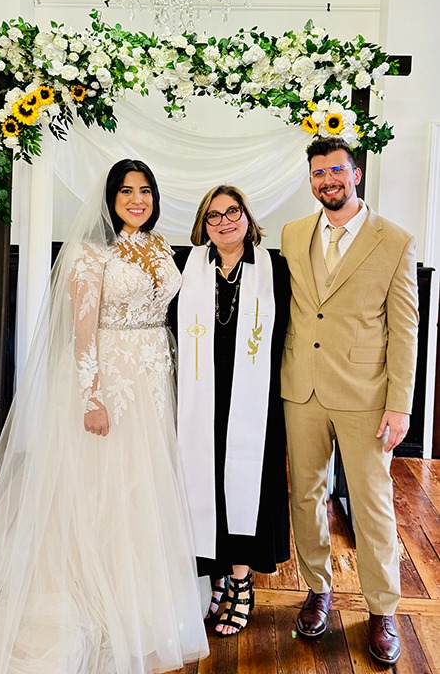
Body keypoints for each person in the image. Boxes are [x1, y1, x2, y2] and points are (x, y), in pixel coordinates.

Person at [0, 160, 208, 674]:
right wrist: (92, 396)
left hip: (153, 381)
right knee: (100, 486)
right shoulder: (90, 256)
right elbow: (81, 333)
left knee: (141, 485)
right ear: (109, 199)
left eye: (146, 190)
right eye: (126, 191)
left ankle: (139, 592)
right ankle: (90, 590)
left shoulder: (160, 247)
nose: (137, 199)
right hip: (110, 380)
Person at [281, 137, 419, 665]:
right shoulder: (294, 235)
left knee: (372, 504)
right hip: (302, 387)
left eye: (336, 171)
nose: (327, 181)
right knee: (306, 497)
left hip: (367, 395)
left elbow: (404, 329)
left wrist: (399, 402)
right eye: (318, 174)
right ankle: (318, 589)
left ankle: (382, 608)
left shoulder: (396, 240)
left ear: (355, 174)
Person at [169, 185, 291, 637]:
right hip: (201, 399)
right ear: (203, 225)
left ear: (247, 217)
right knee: (203, 483)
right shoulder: (189, 269)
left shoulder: (274, 269)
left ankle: (241, 583)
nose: (224, 222)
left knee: (245, 485)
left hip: (254, 401)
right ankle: (216, 573)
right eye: (214, 215)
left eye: (232, 212)